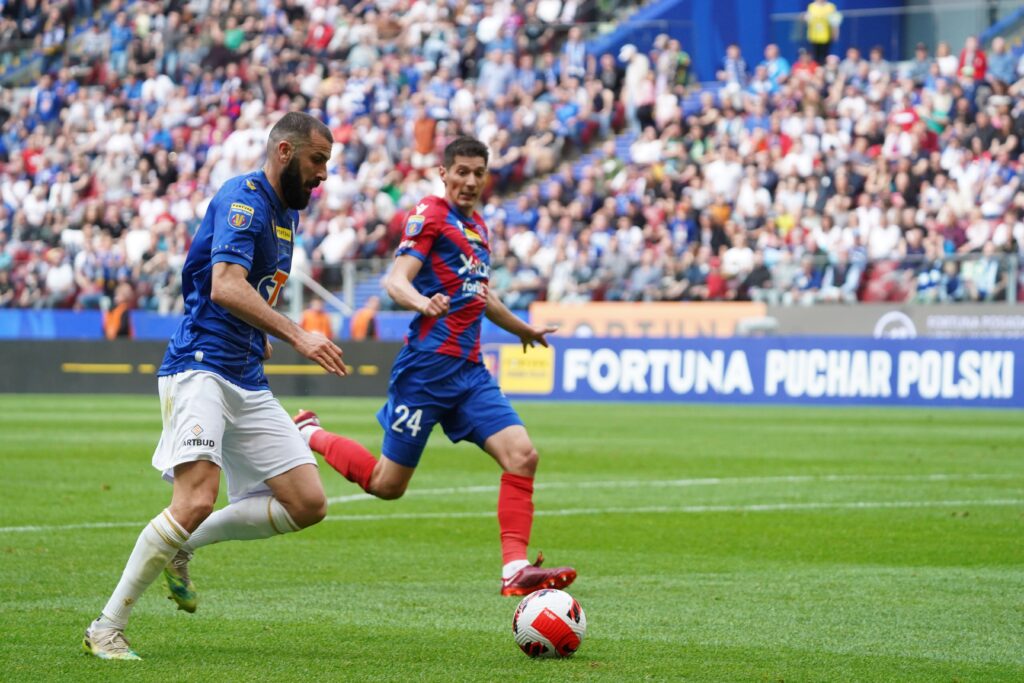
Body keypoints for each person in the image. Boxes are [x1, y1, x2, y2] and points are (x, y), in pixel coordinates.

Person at [82, 112, 347, 660]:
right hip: (201, 366)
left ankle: (184, 548)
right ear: (284, 153)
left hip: (245, 373)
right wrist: (297, 333)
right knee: (196, 497)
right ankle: (106, 627)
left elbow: (245, 291)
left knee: (308, 503)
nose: (324, 174)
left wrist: (263, 334)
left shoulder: (285, 217)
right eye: (317, 160)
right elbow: (225, 285)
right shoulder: (244, 198)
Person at [295, 136, 577, 597]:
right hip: (425, 369)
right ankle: (309, 432)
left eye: (477, 174)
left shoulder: (478, 228)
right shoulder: (430, 215)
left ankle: (514, 569)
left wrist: (522, 329)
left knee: (523, 455)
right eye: (461, 172)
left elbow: (481, 295)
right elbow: (395, 280)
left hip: (468, 373)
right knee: (388, 485)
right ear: (444, 173)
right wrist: (423, 302)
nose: (469, 181)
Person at [804, 0, 839, 65]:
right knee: (815, 55)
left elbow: (835, 22)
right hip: (814, 36)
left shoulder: (830, 7)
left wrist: (835, 33)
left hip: (826, 36)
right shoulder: (811, 6)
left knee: (825, 55)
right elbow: (808, 21)